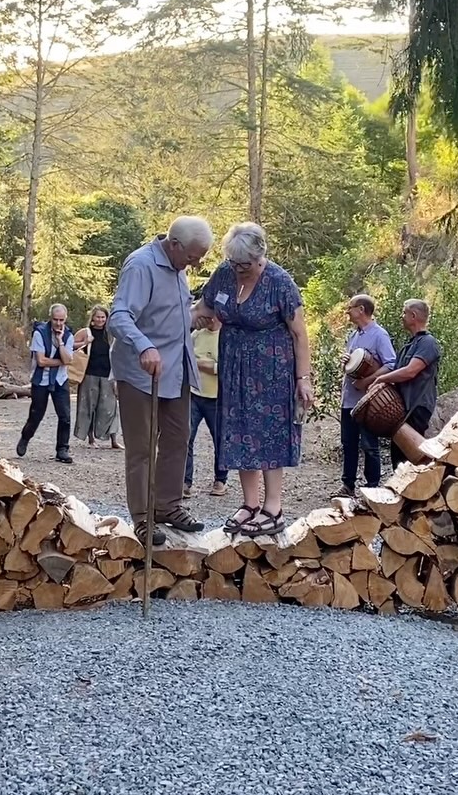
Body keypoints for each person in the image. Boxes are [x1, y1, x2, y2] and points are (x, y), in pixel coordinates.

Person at [195, 222, 314, 538]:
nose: (238, 269)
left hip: (272, 371)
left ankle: (273, 508)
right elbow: (204, 307)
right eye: (234, 263)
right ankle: (250, 504)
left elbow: (299, 334)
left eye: (244, 265)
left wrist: (303, 378)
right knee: (239, 433)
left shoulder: (279, 282)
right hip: (233, 369)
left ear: (260, 257)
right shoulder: (225, 273)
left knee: (269, 435)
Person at [108, 216, 213, 547]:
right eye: (193, 257)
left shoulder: (178, 267)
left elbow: (166, 315)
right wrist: (144, 346)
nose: (195, 264)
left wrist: (194, 317)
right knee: (141, 448)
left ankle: (167, 505)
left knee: (178, 438)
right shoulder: (141, 265)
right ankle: (142, 517)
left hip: (176, 369)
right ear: (175, 244)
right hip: (142, 373)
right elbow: (119, 316)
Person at [369, 298, 441, 467]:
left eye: (404, 313)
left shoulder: (428, 343)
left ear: (413, 315)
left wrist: (382, 379)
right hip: (404, 409)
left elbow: (410, 371)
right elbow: (395, 370)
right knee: (398, 457)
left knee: (411, 459)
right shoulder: (410, 344)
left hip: (416, 408)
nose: (402, 316)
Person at [339, 294, 396, 496]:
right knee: (348, 444)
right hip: (349, 400)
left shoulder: (380, 335)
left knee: (369, 445)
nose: (348, 311)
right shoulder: (353, 336)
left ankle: (372, 487)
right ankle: (348, 485)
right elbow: (351, 367)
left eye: (350, 307)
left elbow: (391, 363)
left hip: (368, 402)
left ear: (361, 309)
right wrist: (345, 362)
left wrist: (367, 381)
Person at [17, 304, 75, 465]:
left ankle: (62, 449)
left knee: (65, 416)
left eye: (61, 320)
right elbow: (41, 361)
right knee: (36, 414)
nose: (58, 323)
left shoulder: (68, 335)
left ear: (65, 319)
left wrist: (60, 342)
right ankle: (25, 437)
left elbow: (68, 360)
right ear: (51, 318)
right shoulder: (39, 333)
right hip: (41, 379)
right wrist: (62, 361)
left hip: (60, 379)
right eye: (55, 320)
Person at [184, 310, 227, 498]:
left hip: (217, 397)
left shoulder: (225, 336)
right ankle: (185, 481)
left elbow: (226, 367)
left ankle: (220, 480)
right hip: (194, 394)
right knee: (186, 438)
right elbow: (187, 359)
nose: (205, 319)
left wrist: (203, 364)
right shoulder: (196, 335)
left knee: (220, 440)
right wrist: (208, 364)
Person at [73, 304, 122, 450]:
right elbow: (70, 344)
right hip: (89, 374)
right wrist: (84, 343)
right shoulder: (86, 332)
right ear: (93, 318)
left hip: (108, 375)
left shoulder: (111, 334)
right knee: (89, 406)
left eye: (103, 317)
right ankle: (91, 439)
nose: (100, 320)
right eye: (98, 317)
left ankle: (113, 440)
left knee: (110, 407)